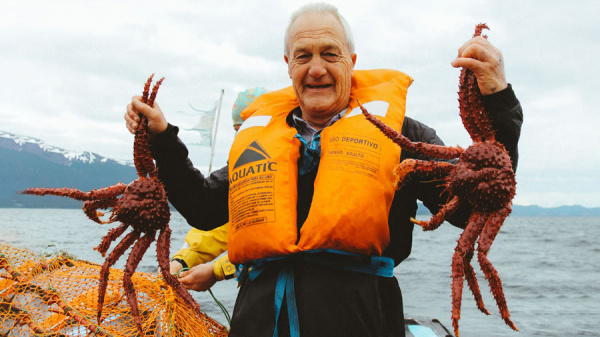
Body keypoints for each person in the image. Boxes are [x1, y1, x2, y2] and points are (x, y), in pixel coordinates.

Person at [125, 3, 522, 337]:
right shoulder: (262, 136)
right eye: (303, 55)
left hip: (362, 319)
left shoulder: (404, 135)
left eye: (329, 54)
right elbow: (204, 208)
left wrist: (499, 103)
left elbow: (475, 207)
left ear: (351, 61)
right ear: (288, 65)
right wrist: (162, 137)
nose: (316, 68)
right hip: (259, 320)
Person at [168, 88, 269, 289]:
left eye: (250, 126)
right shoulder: (243, 167)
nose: (244, 136)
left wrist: (217, 270)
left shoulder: (295, 161)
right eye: (238, 130)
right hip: (256, 297)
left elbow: (275, 242)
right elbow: (222, 225)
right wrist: (182, 260)